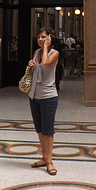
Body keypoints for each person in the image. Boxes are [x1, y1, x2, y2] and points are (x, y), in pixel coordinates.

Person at [28, 27, 59, 176]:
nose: (40, 39)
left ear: (50, 38)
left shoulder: (54, 53)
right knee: (39, 130)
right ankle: (44, 157)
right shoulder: (36, 53)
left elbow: (46, 64)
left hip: (48, 97)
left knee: (48, 130)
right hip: (34, 95)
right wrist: (31, 65)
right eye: (39, 37)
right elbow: (37, 70)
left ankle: (49, 161)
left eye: (44, 37)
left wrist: (46, 47)